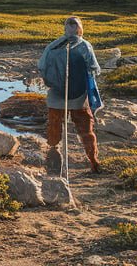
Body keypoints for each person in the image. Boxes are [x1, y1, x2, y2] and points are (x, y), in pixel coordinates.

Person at [38, 16, 102, 174]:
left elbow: (41, 67)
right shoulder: (85, 46)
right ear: (80, 29)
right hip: (79, 95)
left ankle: (54, 158)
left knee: (54, 127)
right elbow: (94, 69)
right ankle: (94, 162)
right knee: (86, 129)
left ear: (65, 29)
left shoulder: (53, 46)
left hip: (56, 95)